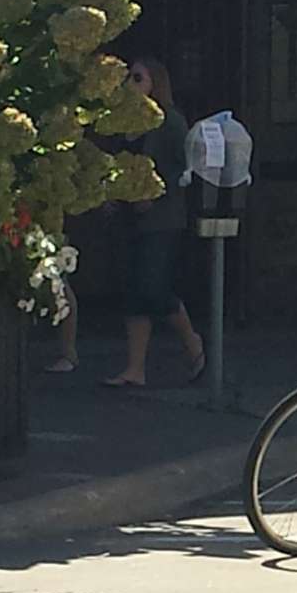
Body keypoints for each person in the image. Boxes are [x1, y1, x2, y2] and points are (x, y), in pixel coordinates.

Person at [103, 59, 205, 389]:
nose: (130, 84)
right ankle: (135, 368)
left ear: (154, 83)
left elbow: (185, 169)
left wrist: (156, 194)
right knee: (134, 290)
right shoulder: (124, 122)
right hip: (129, 215)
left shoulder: (170, 122)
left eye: (137, 78)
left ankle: (193, 343)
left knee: (153, 286)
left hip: (161, 218)